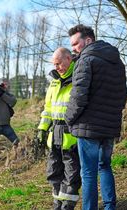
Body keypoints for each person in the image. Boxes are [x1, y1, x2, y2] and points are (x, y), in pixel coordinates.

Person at [65, 24, 127, 210]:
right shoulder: (117, 61)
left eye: (76, 43)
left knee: (89, 172)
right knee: (105, 166)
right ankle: (110, 207)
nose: (73, 48)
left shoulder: (85, 60)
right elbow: (122, 95)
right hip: (109, 124)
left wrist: (69, 118)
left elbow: (78, 96)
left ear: (88, 40)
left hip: (88, 125)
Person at [37, 47, 81, 210]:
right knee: (54, 171)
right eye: (54, 64)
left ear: (69, 59)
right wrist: (42, 128)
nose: (57, 67)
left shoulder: (78, 78)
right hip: (54, 134)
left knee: (71, 172)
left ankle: (68, 204)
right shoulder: (54, 81)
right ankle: (57, 203)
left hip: (71, 135)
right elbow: (47, 108)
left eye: (59, 63)